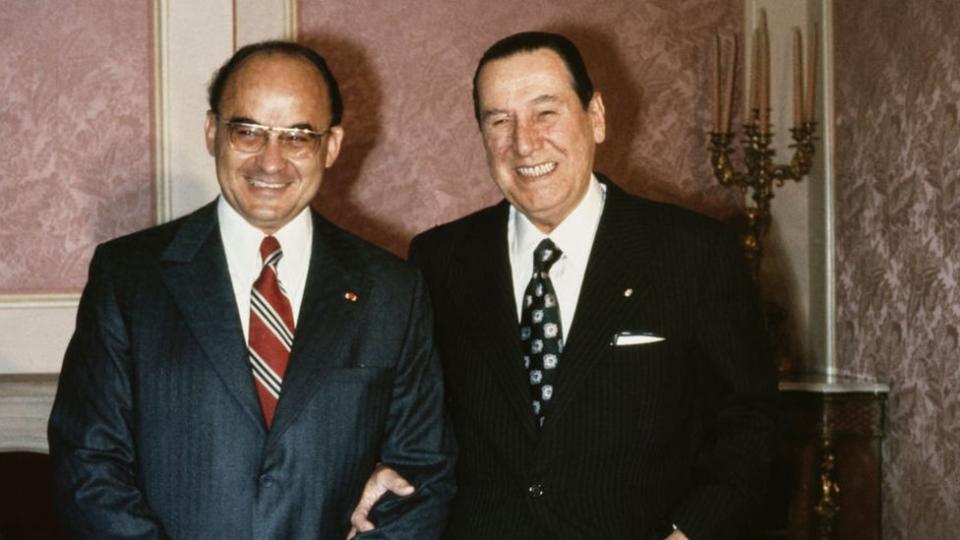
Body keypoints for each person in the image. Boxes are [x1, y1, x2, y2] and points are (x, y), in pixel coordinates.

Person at [350, 31, 779, 539]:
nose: (524, 141)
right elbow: (413, 410)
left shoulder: (691, 251)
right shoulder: (439, 259)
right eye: (499, 120)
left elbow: (752, 419)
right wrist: (379, 466)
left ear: (595, 117)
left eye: (545, 112)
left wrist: (692, 533)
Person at [48, 40, 455, 539]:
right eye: (247, 131)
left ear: (331, 146)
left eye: (298, 137)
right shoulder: (128, 278)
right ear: (211, 133)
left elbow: (422, 471)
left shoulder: (393, 289)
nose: (271, 162)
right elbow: (88, 464)